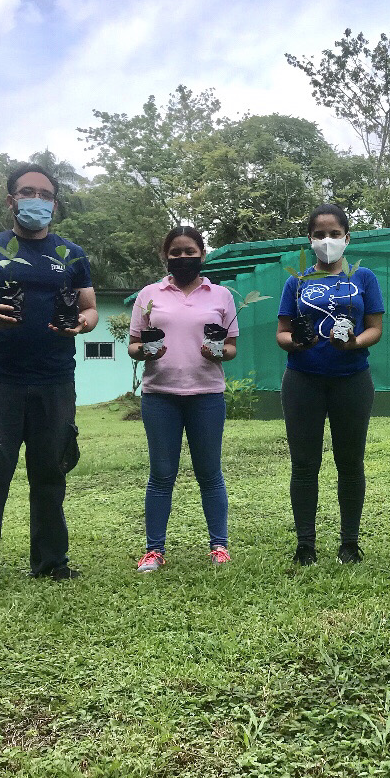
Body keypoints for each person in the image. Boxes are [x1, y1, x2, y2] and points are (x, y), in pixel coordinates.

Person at [0, 163, 97, 591]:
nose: (37, 200)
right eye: (28, 192)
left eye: (45, 194)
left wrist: (81, 325)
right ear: (11, 200)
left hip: (55, 380)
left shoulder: (71, 254)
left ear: (55, 204)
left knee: (51, 472)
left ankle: (51, 561)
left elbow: (89, 309)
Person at [276, 204, 385, 565]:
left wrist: (354, 343)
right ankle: (305, 545)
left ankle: (349, 544)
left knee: (350, 462)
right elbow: (282, 332)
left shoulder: (363, 277)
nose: (327, 240)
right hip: (302, 380)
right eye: (319, 234)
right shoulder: (297, 281)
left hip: (352, 380)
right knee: (304, 464)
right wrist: (296, 343)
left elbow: (375, 328)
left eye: (334, 234)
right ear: (310, 240)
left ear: (347, 238)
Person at [129, 226, 238, 570]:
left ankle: (219, 546)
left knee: (210, 473)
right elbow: (134, 345)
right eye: (175, 252)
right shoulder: (149, 294)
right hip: (160, 396)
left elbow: (231, 347)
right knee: (161, 475)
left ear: (202, 254)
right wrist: (145, 350)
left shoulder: (221, 295)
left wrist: (216, 352)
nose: (183, 257)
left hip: (207, 394)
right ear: (166, 256)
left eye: (190, 251)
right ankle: (154, 550)